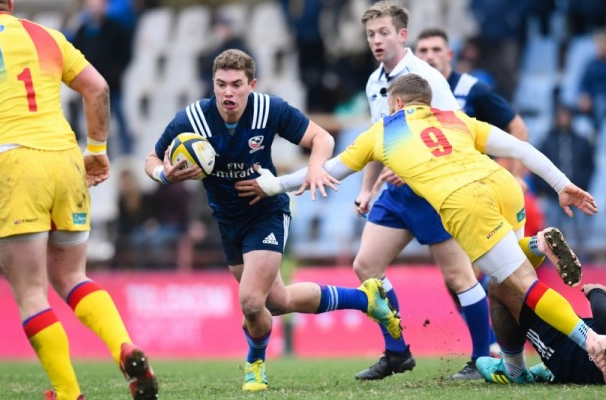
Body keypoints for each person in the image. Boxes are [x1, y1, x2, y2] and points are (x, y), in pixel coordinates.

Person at [236, 73, 606, 383]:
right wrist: (561, 185)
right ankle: (518, 346)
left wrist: (272, 184)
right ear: (426, 103)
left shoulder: (383, 130)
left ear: (396, 104)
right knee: (504, 278)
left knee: (522, 286)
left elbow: (327, 171)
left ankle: (591, 341)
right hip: (502, 185)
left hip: (465, 203)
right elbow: (520, 149)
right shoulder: (453, 118)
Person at [0, 1, 157, 399]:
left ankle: (68, 393)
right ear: (11, 4)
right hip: (66, 161)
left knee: (32, 292)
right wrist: (98, 148)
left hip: (14, 163)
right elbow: (98, 87)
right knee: (72, 276)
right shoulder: (47, 35)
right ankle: (124, 346)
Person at [144, 48, 399, 392]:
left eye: (236, 84)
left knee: (251, 301)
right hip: (226, 220)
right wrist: (163, 174)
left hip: (266, 212)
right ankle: (366, 300)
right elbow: (152, 158)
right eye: (221, 84)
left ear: (252, 84)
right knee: (276, 302)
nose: (228, 92)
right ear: (213, 85)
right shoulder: (192, 119)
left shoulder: (269, 109)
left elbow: (321, 138)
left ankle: (255, 365)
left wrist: (313, 166)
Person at [349, 1, 498, 381]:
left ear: (402, 35)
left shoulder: (426, 77)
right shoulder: (373, 82)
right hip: (396, 195)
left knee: (459, 277)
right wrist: (367, 189)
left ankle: (484, 358)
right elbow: (375, 141)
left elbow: (454, 132)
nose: (376, 40)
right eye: (370, 34)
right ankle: (397, 351)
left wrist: (417, 172)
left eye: (383, 32)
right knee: (366, 267)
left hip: (433, 193)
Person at [414, 26, 535, 375]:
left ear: (449, 55)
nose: (429, 56)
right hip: (443, 196)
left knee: (490, 275)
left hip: (481, 192)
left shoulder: (470, 90)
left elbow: (517, 128)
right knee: (462, 280)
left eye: (437, 49)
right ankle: (498, 343)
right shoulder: (414, 98)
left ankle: (509, 343)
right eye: (422, 51)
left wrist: (514, 175)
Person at [476, 281, 606, 385]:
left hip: (569, 351)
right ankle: (549, 370)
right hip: (582, 350)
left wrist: (596, 291)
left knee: (501, 285)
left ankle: (513, 371)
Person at [71, 0, 134, 156]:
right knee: (95, 123)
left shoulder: (116, 29)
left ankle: (127, 154)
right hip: (90, 88)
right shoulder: (83, 30)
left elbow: (126, 53)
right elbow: (74, 53)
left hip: (113, 86)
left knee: (119, 119)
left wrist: (116, 72)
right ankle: (104, 154)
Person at [533, 105, 595, 253]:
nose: (563, 119)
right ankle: (554, 263)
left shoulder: (582, 141)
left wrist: (582, 184)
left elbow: (590, 166)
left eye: (566, 116)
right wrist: (546, 189)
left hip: (578, 193)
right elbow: (537, 167)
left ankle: (582, 261)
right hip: (553, 194)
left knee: (580, 231)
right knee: (552, 231)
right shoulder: (547, 141)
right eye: (560, 116)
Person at [577, 29, 606, 130]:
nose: (602, 47)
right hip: (593, 99)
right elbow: (583, 84)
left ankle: (598, 131)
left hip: (601, 98)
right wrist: (584, 96)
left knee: (601, 102)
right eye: (600, 44)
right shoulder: (591, 64)